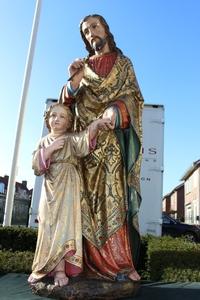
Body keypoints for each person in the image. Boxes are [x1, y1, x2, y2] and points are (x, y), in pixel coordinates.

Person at [59, 14, 144, 282]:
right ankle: (79, 266)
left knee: (113, 200)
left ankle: (120, 265)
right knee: (84, 204)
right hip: (85, 146)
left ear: (106, 29)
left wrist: (117, 109)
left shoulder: (124, 63)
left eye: (94, 27)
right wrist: (73, 81)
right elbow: (64, 105)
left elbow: (134, 97)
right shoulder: (82, 67)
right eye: (86, 31)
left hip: (111, 147)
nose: (91, 33)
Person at [28, 103, 113, 287]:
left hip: (68, 184)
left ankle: (60, 270)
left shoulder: (70, 139)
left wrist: (96, 125)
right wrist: (49, 150)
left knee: (63, 225)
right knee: (46, 224)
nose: (56, 119)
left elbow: (83, 142)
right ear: (47, 119)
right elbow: (36, 167)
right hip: (50, 186)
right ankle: (42, 266)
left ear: (68, 123)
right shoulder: (42, 142)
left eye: (61, 116)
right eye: (53, 115)